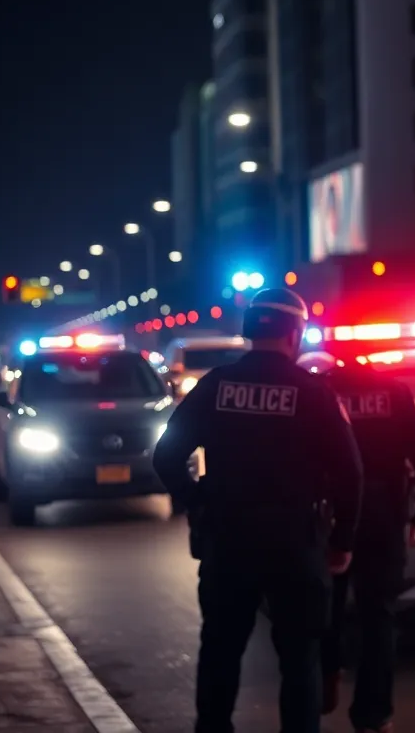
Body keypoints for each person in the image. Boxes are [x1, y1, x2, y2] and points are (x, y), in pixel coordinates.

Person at [153, 288, 364, 733]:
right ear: (295, 333)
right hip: (296, 544)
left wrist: (198, 502)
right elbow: (350, 472)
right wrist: (343, 541)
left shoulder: (215, 386)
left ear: (250, 329)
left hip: (228, 541)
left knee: (220, 652)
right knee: (300, 659)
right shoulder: (313, 392)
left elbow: (166, 457)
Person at [299, 352, 415, 733]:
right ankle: (373, 716)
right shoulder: (394, 393)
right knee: (378, 615)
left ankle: (328, 672)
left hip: (329, 514)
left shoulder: (322, 391)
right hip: (383, 515)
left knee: (324, 604)